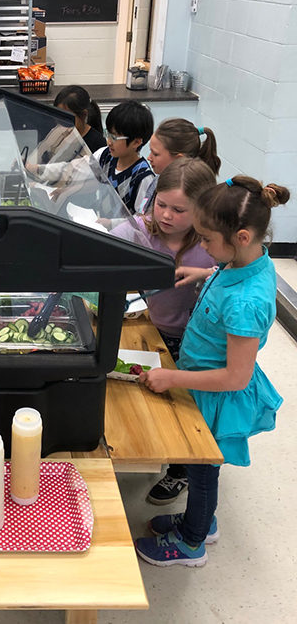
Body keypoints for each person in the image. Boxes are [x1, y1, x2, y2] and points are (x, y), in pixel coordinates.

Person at [135, 175, 290, 567]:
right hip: (202, 381)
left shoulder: (245, 303)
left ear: (241, 236)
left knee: (202, 471)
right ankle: (200, 521)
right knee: (199, 469)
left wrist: (172, 377)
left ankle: (192, 542)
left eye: (206, 240)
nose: (201, 247)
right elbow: (228, 273)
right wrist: (203, 273)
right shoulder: (247, 260)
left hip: (216, 395)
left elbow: (236, 376)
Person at [112, 158, 218, 504]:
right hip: (148, 331)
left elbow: (235, 271)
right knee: (145, 400)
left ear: (202, 211)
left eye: (179, 210)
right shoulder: (139, 231)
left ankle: (180, 469)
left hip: (191, 342)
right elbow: (103, 248)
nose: (166, 215)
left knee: (185, 409)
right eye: (161, 204)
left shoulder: (211, 245)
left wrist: (205, 274)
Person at [93, 100, 156, 215]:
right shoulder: (104, 155)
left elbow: (141, 219)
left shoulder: (143, 178)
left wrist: (111, 223)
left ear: (136, 142)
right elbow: (81, 169)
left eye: (114, 137)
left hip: (120, 227)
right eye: (108, 134)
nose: (109, 142)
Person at [148, 118, 221, 177]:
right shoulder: (159, 181)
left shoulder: (188, 190)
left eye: (155, 154)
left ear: (179, 159)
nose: (149, 158)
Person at [53, 85, 106, 152]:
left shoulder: (98, 144)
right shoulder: (57, 133)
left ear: (83, 115)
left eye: (67, 119)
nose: (63, 124)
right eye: (58, 117)